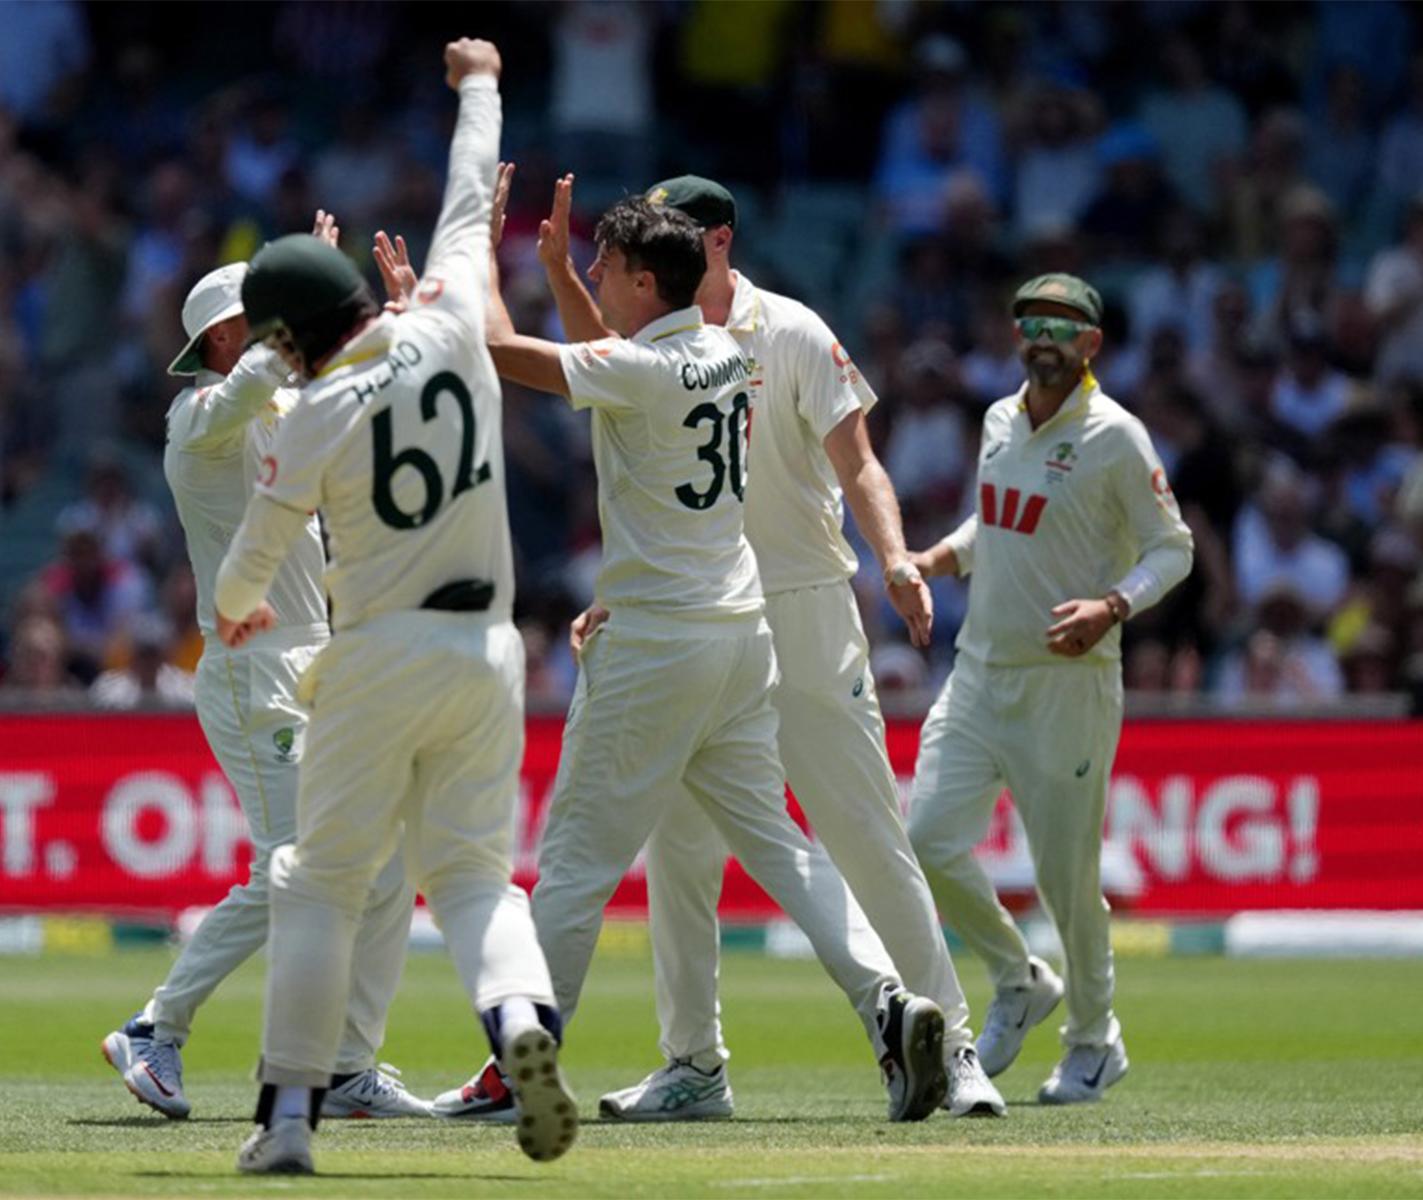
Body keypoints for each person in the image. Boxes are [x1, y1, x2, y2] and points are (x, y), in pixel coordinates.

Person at [437, 188, 949, 1127]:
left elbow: (508, 353)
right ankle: (890, 1000)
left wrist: (474, 253)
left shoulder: (647, 370)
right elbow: (610, 359)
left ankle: (518, 1068)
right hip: (738, 640)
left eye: (600, 269)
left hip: (656, 645)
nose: (590, 277)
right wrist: (555, 270)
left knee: (577, 866)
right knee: (785, 854)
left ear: (642, 282)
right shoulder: (717, 353)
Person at [215, 39, 577, 1174]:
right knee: (475, 878)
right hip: (486, 651)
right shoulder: (456, 317)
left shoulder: (307, 415)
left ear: (288, 340)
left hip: (373, 654)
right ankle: (519, 1022)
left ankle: (284, 1125)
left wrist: (235, 609)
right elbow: (472, 194)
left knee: (322, 883)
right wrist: (479, 84)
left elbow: (249, 560)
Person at [100, 224, 427, 1125]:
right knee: (295, 866)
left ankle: (350, 1068)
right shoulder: (197, 422)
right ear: (220, 337)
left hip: (319, 661)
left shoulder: (281, 405)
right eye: (262, 315)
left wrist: (386, 314)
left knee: (388, 856)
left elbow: (365, 391)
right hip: (252, 672)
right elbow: (260, 381)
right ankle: (154, 1027)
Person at [903, 274, 1194, 1105]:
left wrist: (1112, 605)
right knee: (926, 840)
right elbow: (995, 524)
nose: (1043, 338)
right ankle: (1018, 976)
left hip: (1069, 684)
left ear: (1092, 345)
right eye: (1030, 322)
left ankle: (1096, 1041)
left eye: (1063, 327)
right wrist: (939, 557)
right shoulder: (999, 418)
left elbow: (1173, 549)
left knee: (1067, 880)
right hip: (979, 671)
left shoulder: (1116, 436)